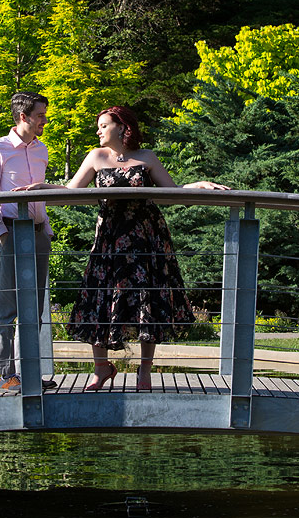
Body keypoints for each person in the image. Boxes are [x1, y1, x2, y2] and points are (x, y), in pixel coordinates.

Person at [19, 106, 227, 392]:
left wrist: (199, 185)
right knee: (101, 296)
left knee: (146, 300)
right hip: (109, 239)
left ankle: (144, 372)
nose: (98, 130)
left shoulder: (147, 157)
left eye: (103, 125)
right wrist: (42, 187)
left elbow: (171, 192)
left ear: (121, 127)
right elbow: (71, 191)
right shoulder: (95, 156)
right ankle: (101, 369)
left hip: (147, 238)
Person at [0, 91, 57, 394]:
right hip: (11, 234)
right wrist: (0, 232)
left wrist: (47, 229)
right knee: (8, 307)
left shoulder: (42, 150)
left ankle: (29, 373)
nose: (45, 121)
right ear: (23, 116)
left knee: (35, 310)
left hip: (38, 235)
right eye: (40, 115)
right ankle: (4, 375)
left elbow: (41, 194)